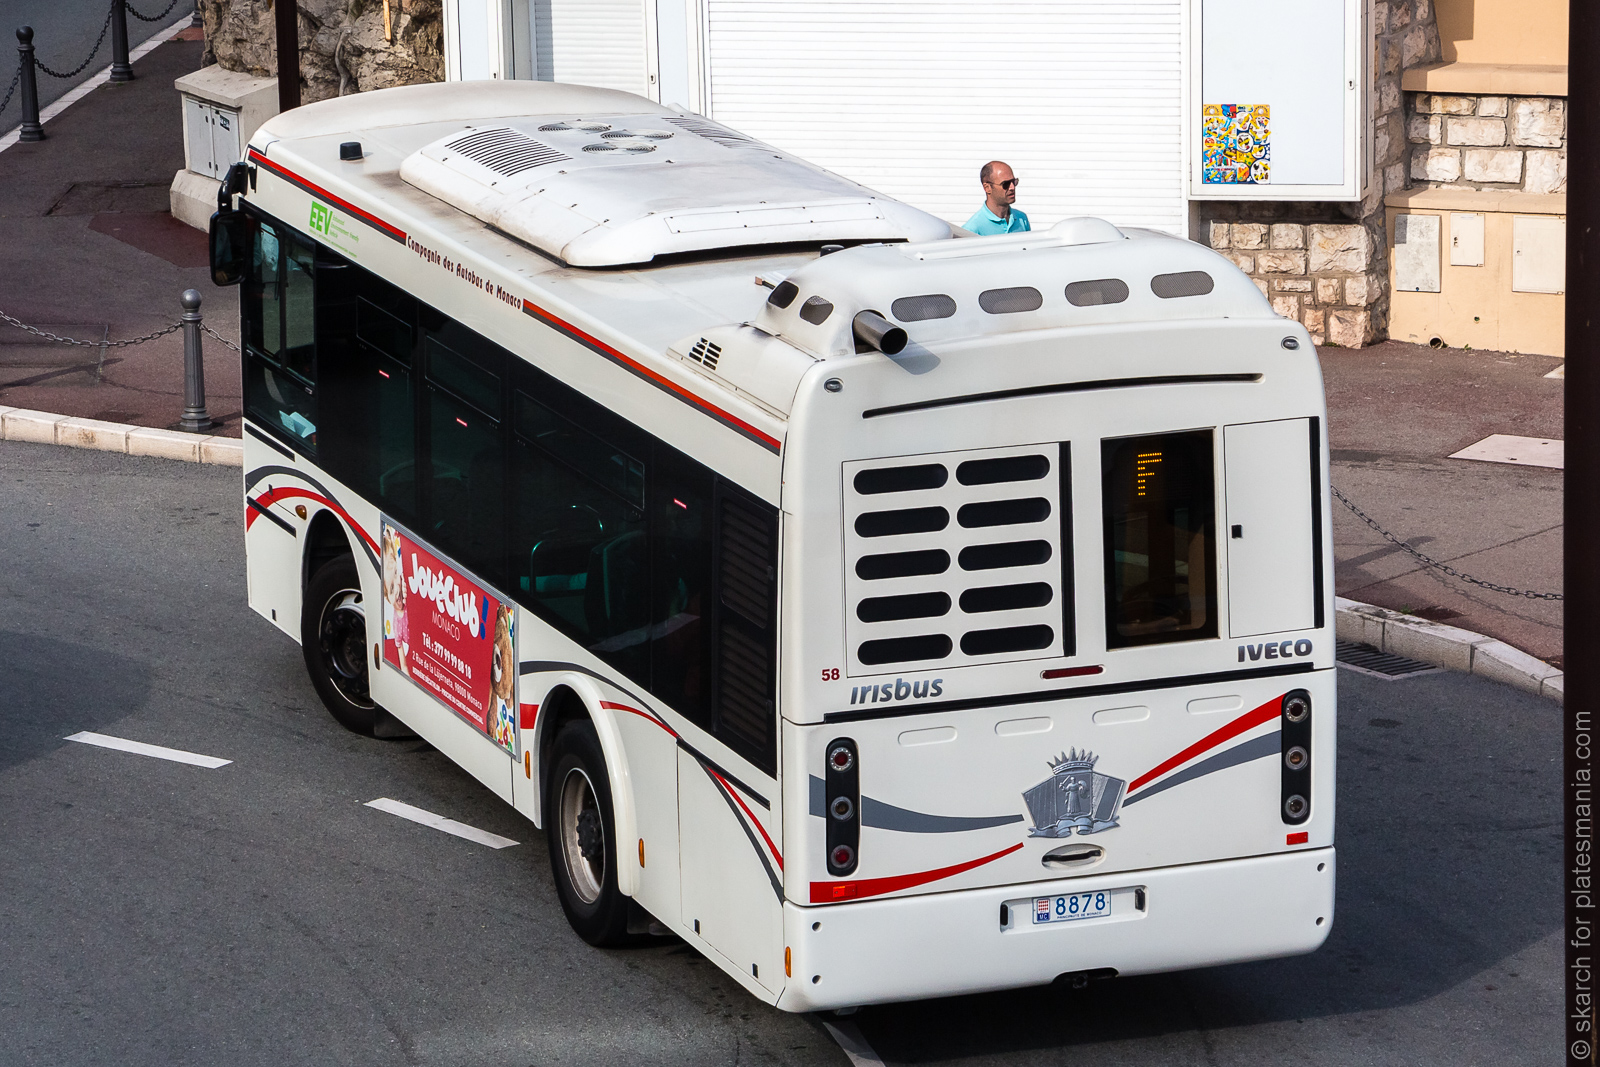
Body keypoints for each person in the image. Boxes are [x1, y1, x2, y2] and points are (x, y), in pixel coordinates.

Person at [964, 161, 1030, 235]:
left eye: (1014, 182)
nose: (1012, 187)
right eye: (1005, 184)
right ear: (987, 188)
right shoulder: (972, 229)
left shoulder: (1021, 218)